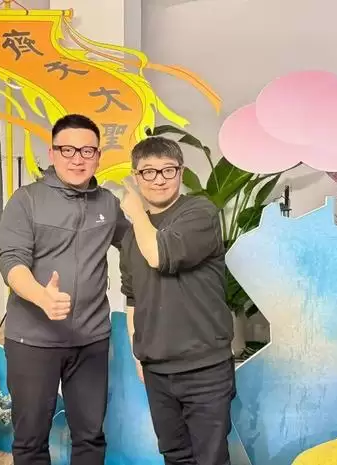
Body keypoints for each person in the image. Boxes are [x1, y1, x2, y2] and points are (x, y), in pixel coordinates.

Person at [0, 114, 129, 465]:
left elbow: (136, 248)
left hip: (90, 339)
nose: (77, 159)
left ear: (98, 156)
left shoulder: (108, 204)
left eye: (87, 151)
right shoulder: (26, 200)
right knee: (30, 440)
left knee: (90, 436)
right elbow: (11, 261)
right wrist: (41, 296)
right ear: (52, 153)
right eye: (67, 149)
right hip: (33, 340)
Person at [118, 136, 235, 465]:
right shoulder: (130, 238)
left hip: (204, 368)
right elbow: (132, 297)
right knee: (175, 457)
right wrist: (138, 353)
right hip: (157, 370)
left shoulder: (200, 213)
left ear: (180, 172)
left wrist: (135, 212)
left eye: (167, 170)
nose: (159, 179)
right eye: (148, 172)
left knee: (211, 458)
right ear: (136, 176)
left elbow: (159, 255)